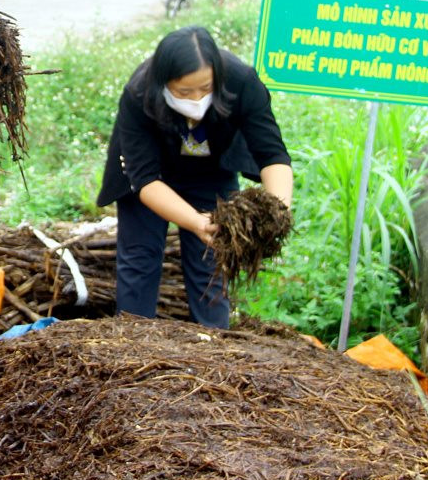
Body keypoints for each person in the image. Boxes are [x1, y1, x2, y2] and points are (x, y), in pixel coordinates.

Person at [96, 26, 293, 329]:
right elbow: (145, 180)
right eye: (184, 92)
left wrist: (278, 212)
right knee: (140, 259)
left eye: (205, 88)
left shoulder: (241, 81)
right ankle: (133, 342)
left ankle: (212, 346)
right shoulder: (139, 92)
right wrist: (195, 221)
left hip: (211, 172)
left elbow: (272, 155)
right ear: (163, 82)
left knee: (211, 261)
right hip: (150, 176)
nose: (197, 99)